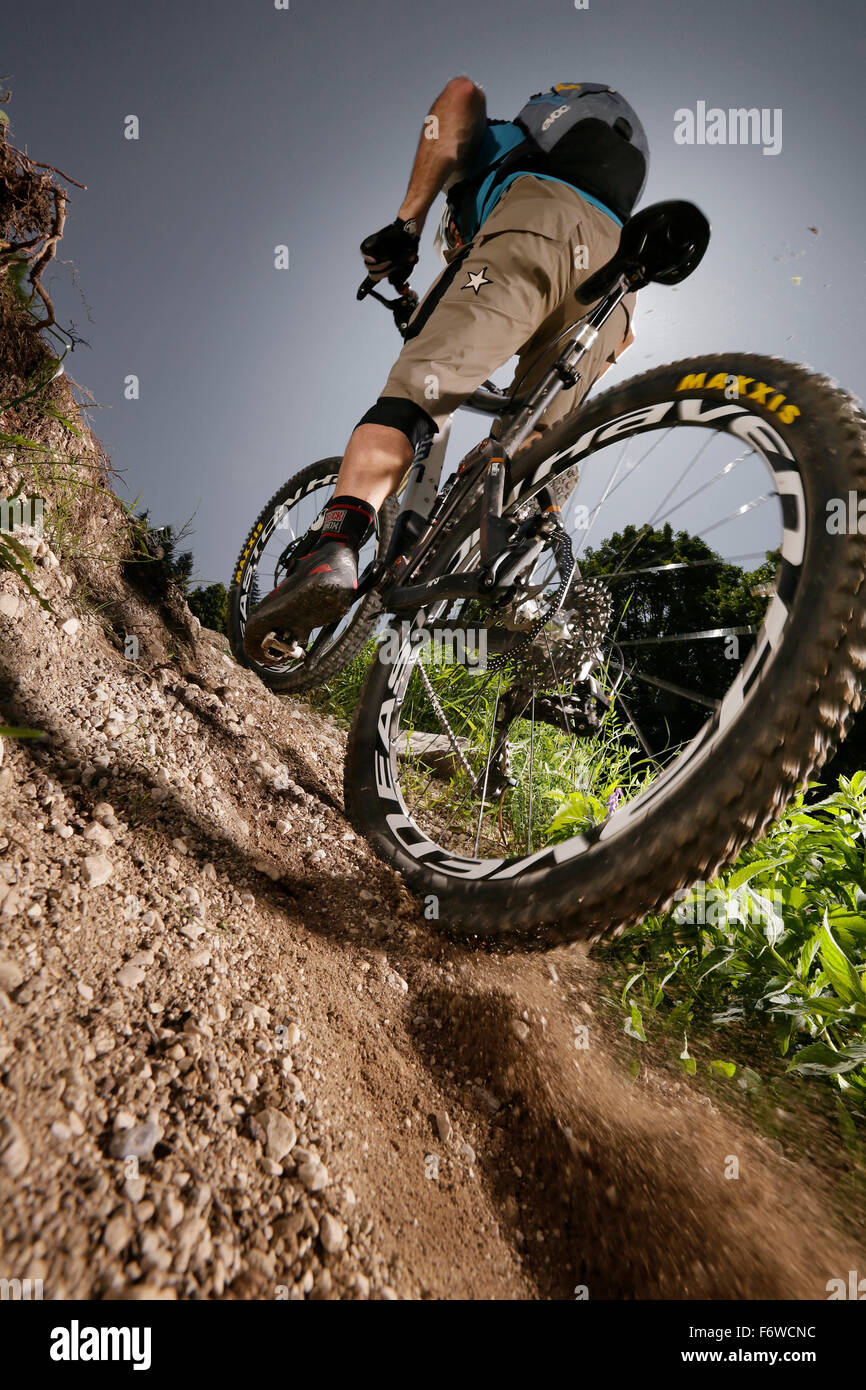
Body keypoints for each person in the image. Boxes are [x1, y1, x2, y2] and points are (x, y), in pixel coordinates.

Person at [244, 77, 647, 663]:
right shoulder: (606, 185)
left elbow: (460, 93)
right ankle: (524, 590)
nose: (456, 245)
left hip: (536, 224)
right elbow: (628, 339)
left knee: (418, 393)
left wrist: (407, 225)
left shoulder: (507, 152)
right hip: (619, 283)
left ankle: (333, 546)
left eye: (452, 240)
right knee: (533, 442)